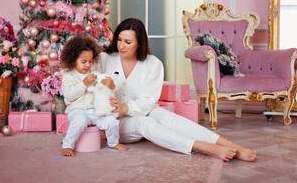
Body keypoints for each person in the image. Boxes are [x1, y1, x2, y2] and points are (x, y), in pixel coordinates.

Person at [94, 18, 256, 162]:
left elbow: (148, 101)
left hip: (142, 110)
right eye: (119, 40)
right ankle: (203, 147)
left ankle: (230, 145)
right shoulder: (104, 59)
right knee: (145, 123)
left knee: (168, 117)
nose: (121, 46)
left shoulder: (153, 63)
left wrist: (124, 107)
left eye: (127, 42)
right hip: (115, 124)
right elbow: (91, 87)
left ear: (139, 44)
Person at [60, 35, 128, 157]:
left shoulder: (95, 74)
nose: (88, 65)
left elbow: (105, 89)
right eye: (84, 62)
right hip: (77, 111)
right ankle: (67, 145)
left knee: (111, 121)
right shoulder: (68, 77)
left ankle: (113, 142)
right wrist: (84, 83)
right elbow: (69, 96)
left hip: (95, 111)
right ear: (73, 60)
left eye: (91, 61)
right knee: (81, 120)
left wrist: (111, 86)